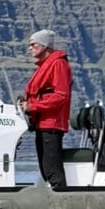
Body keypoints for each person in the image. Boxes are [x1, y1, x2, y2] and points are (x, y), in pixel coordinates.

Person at [21, 28, 73, 192]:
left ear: (44, 45)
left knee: (52, 167)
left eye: (33, 44)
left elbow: (61, 95)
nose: (30, 48)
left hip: (51, 123)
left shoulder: (58, 64)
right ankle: (52, 193)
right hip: (41, 123)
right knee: (45, 165)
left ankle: (60, 196)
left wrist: (32, 106)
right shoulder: (44, 66)